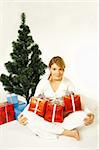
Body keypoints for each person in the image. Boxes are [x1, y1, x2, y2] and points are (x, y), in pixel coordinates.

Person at [18, 56, 94, 140]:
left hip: (63, 116)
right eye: (54, 69)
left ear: (64, 70)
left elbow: (77, 101)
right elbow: (34, 101)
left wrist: (89, 113)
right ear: (50, 69)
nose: (58, 72)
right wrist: (22, 114)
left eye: (60, 69)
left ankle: (45, 131)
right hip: (45, 116)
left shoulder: (68, 83)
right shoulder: (43, 82)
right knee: (28, 116)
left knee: (83, 116)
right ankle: (67, 132)